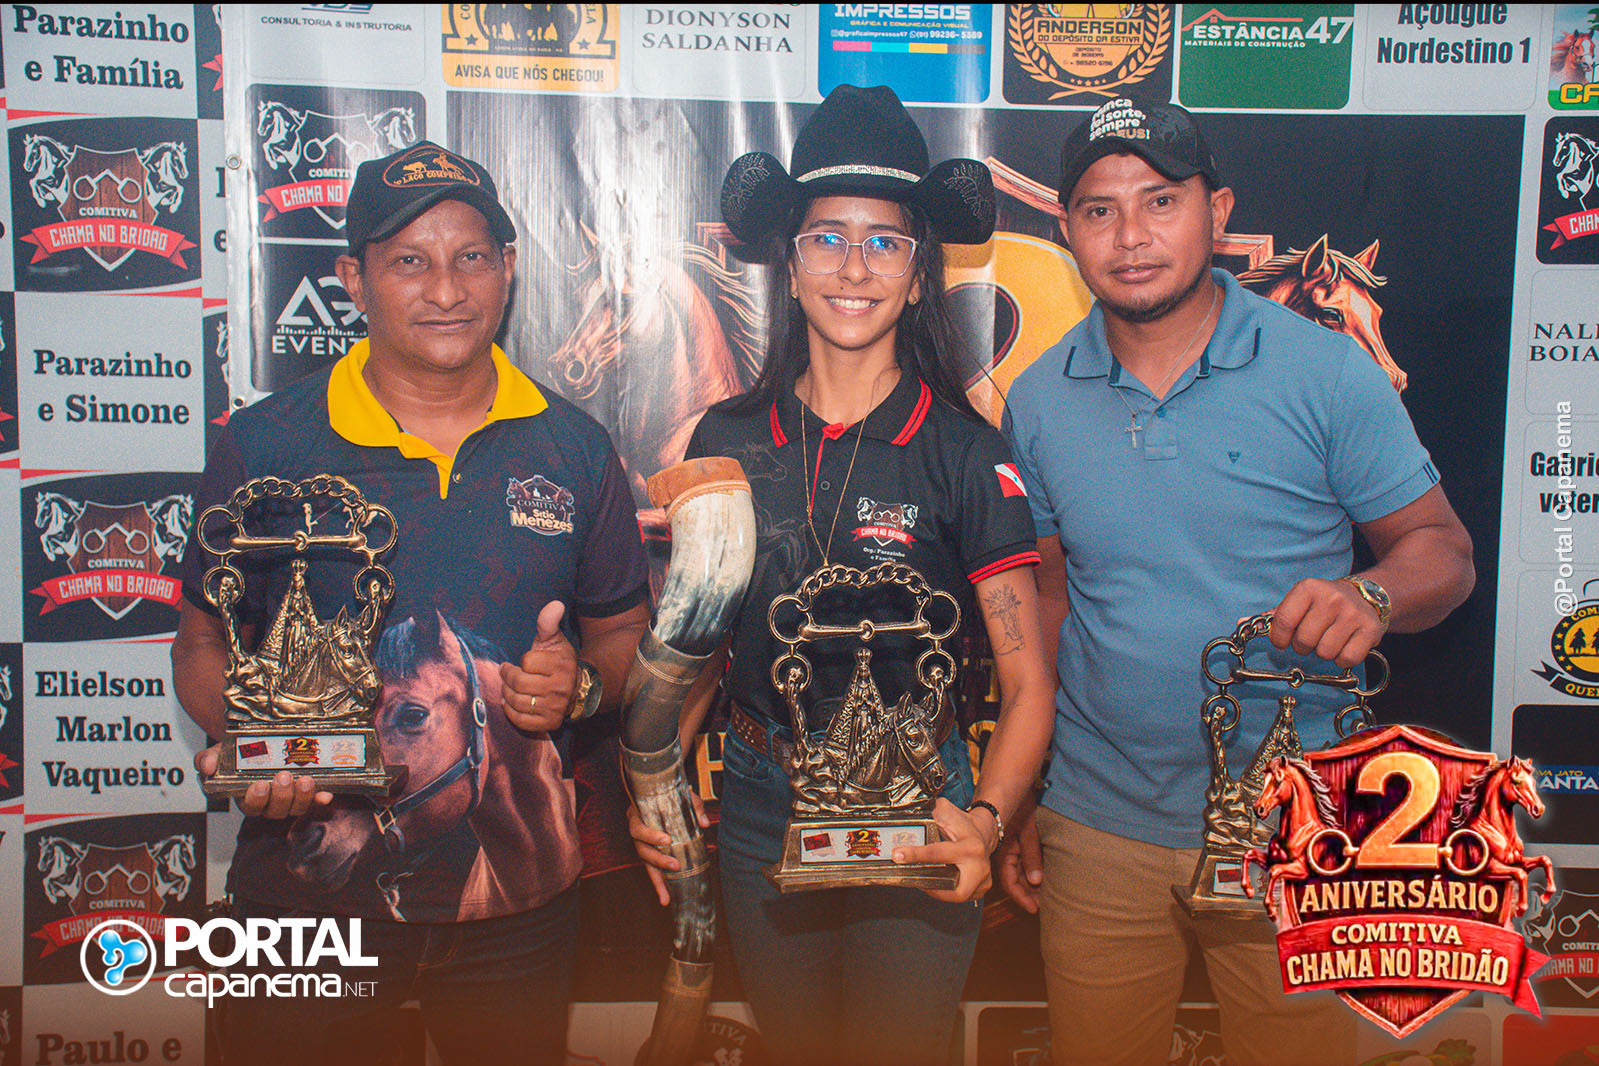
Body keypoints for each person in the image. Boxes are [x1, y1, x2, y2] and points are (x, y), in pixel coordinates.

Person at [997, 97, 1476, 1066]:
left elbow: (1443, 550)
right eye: (1098, 210)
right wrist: (1025, 791)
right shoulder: (1038, 398)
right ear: (1067, 231)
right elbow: (1048, 599)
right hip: (1096, 821)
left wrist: (1372, 595)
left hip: (1296, 819)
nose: (1130, 236)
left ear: (1216, 212)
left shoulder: (1327, 372)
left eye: (1159, 201)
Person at [171, 141, 650, 1066]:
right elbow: (201, 642)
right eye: (408, 262)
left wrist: (582, 685)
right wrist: (261, 744)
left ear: (507, 268)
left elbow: (625, 632)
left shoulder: (573, 448)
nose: (446, 290)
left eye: (471, 257)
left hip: (518, 915)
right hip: (306, 901)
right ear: (354, 278)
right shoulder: (266, 443)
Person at [628, 84, 1056, 1066]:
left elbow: (1029, 683)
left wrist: (985, 822)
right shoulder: (726, 436)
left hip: (920, 804)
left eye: (883, 242)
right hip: (759, 800)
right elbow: (695, 645)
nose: (853, 267)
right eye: (826, 237)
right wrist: (655, 789)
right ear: (790, 262)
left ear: (918, 274)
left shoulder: (966, 451)